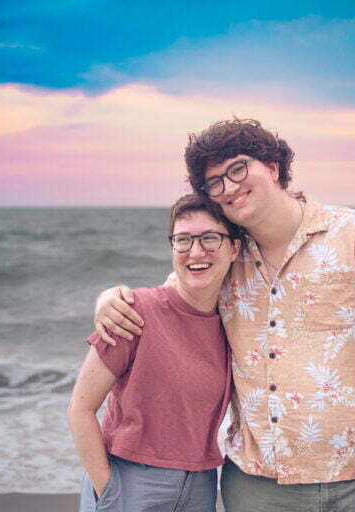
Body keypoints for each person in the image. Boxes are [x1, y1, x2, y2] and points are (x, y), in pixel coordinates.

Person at [93, 119, 355, 512]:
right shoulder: (223, 255)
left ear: (272, 167)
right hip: (258, 486)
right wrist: (108, 298)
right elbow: (168, 301)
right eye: (215, 182)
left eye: (238, 168)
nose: (229, 187)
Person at [67, 193, 242, 512]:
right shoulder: (134, 311)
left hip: (202, 484)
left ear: (234, 248)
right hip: (131, 482)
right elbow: (80, 408)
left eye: (210, 238)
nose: (196, 251)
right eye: (183, 240)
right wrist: (109, 491)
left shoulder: (234, 320)